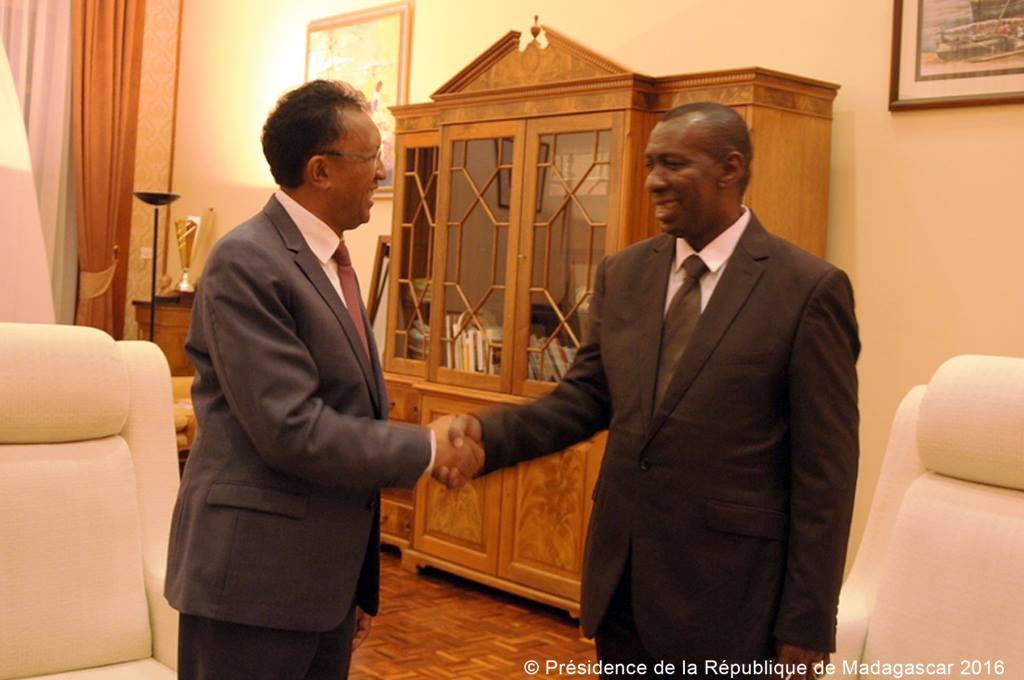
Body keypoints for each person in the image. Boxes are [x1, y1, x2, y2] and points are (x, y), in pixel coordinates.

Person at [450, 102, 860, 679]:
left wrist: (807, 623)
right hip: (624, 587)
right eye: (649, 164)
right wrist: (485, 434)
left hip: (733, 601)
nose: (653, 181)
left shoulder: (808, 289)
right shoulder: (624, 273)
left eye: (673, 164)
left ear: (730, 168)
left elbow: (826, 474)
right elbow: (584, 398)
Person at [165, 79, 482, 680]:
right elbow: (292, 428)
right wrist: (428, 446)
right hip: (252, 585)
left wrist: (355, 585)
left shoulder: (330, 261)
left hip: (322, 586)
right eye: (372, 158)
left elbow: (351, 413)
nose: (383, 173)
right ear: (321, 170)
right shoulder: (246, 261)